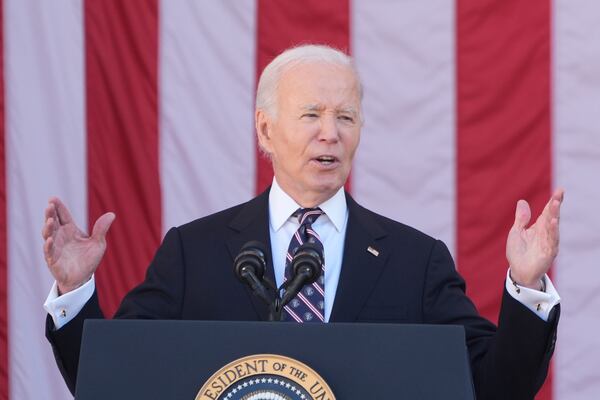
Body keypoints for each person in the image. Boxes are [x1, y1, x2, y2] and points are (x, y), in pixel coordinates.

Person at [42, 45, 563, 399]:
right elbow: (115, 379)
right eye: (311, 114)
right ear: (266, 130)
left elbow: (496, 387)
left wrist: (525, 284)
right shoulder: (192, 252)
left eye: (346, 117)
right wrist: (73, 291)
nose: (330, 134)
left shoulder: (415, 261)